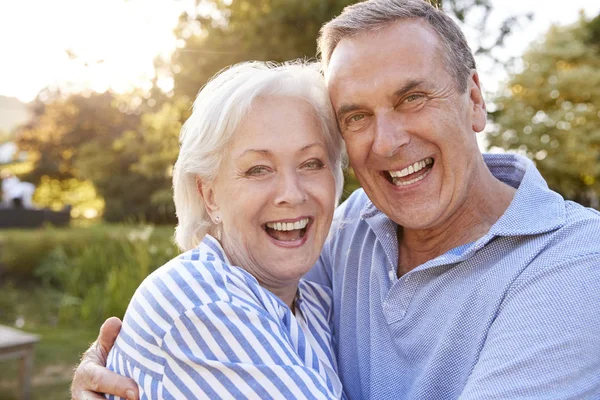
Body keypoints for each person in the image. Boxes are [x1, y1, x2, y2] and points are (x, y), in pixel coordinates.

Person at [72, 0, 600, 399]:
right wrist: (127, 357)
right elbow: (228, 299)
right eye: (356, 117)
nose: (387, 141)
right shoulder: (352, 228)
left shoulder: (572, 262)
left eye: (412, 97)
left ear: (475, 100)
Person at [85, 61, 347, 400]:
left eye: (311, 163)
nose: (292, 194)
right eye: (258, 169)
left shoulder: (314, 302)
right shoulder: (200, 302)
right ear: (209, 196)